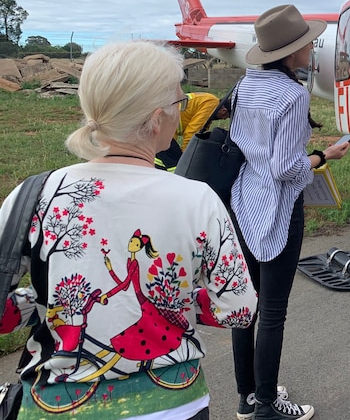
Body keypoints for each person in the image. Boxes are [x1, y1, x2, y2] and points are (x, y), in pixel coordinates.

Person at [0, 41, 258, 419]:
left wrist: (45, 297)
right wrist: (177, 300)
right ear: (156, 118)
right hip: (173, 405)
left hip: (54, 404)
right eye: (179, 103)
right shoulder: (196, 198)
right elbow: (237, 310)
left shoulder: (33, 193)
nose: (181, 112)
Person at [229, 4, 350, 420]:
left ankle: (247, 397)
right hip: (278, 210)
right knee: (274, 312)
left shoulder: (246, 85)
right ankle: (267, 406)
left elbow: (250, 147)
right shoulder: (293, 96)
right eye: (305, 42)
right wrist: (322, 156)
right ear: (289, 53)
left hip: (243, 201)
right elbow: (285, 168)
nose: (311, 46)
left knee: (246, 307)